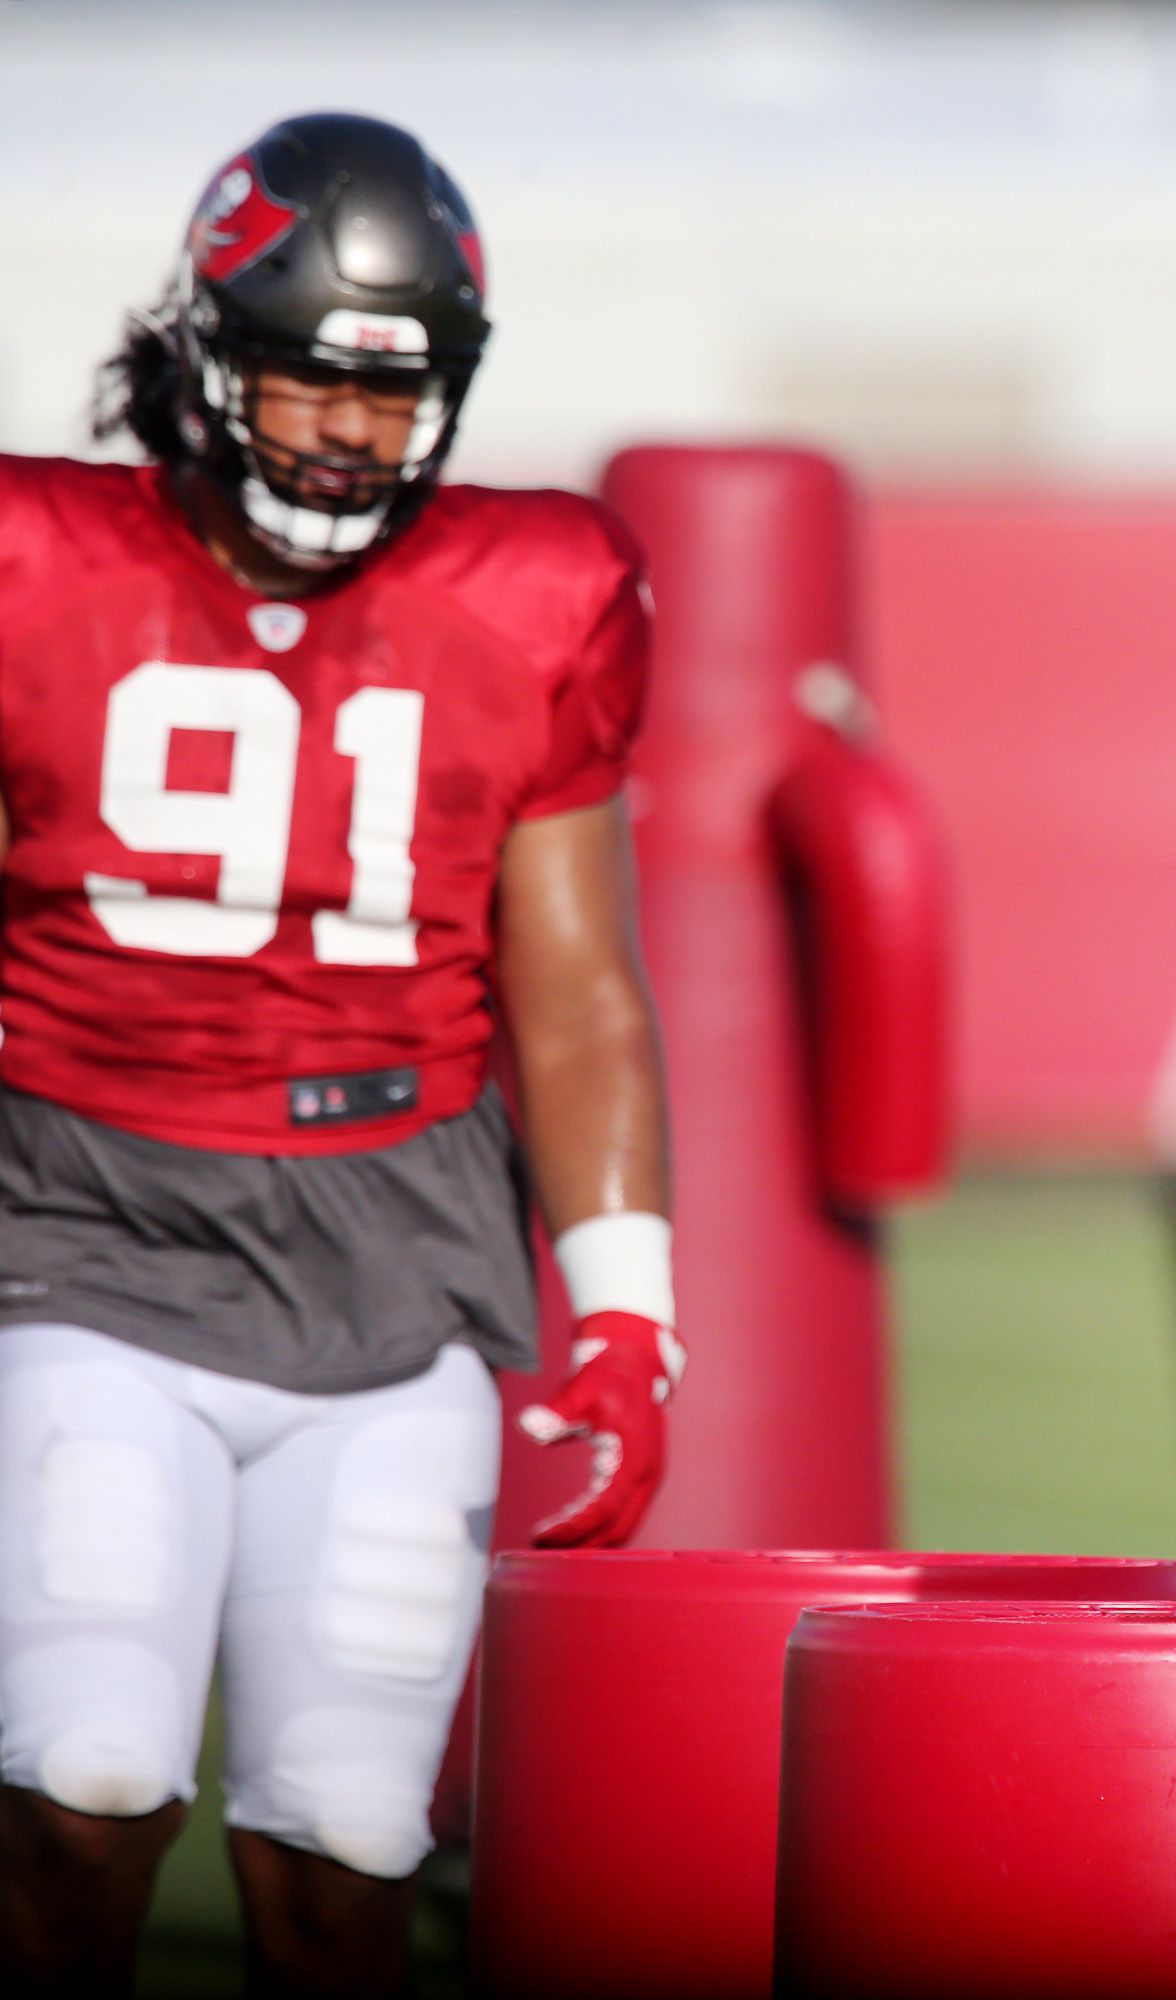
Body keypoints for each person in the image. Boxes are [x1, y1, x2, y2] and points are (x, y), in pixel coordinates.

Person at [0, 113, 681, 1995]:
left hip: (401, 1255)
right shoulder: (32, 561)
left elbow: (578, 988)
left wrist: (628, 1312)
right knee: (85, 1779)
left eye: (398, 394)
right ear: (210, 351)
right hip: (84, 1227)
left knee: (349, 1847)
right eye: (311, 377)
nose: (352, 436)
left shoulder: (537, 589)